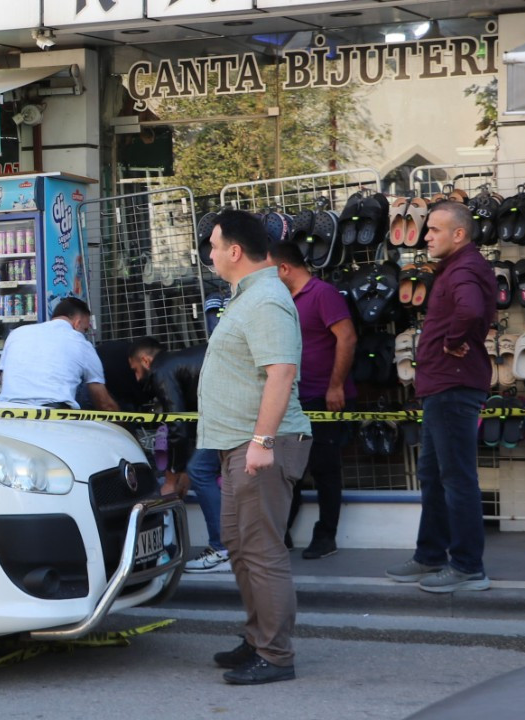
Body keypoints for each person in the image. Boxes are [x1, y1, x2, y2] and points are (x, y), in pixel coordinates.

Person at [197, 209, 312, 685]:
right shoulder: (249, 297)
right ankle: (257, 639)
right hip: (237, 445)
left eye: (214, 246)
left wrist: (262, 442)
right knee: (242, 550)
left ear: (235, 251)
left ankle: (276, 655)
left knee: (261, 552)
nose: (210, 254)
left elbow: (280, 372)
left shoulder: (265, 299)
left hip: (259, 445)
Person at [385, 202, 496, 593]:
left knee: (456, 478)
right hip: (441, 387)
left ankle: (468, 567)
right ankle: (430, 556)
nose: (426, 235)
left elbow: (470, 309)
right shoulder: (457, 268)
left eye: (434, 230)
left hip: (452, 386)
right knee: (432, 475)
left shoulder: (464, 268)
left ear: (459, 234)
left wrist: (453, 341)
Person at [271, 242, 358, 560]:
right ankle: (282, 534)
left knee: (324, 469)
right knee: (287, 469)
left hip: (322, 399)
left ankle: (326, 536)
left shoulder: (322, 293)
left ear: (284, 268)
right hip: (294, 398)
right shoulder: (285, 300)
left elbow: (347, 337)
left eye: (270, 271)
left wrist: (335, 386)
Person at [132, 338, 227, 573]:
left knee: (200, 471)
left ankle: (222, 550)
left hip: (229, 413)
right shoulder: (178, 363)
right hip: (230, 410)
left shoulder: (162, 369)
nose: (137, 378)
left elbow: (178, 424)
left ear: (146, 360)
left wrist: (174, 474)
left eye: (135, 370)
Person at [0, 297, 118, 411]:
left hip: (7, 413)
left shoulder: (17, 333)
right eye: (85, 330)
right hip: (54, 417)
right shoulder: (81, 343)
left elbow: (3, 377)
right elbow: (104, 403)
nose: (84, 334)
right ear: (77, 323)